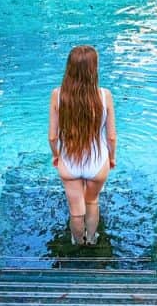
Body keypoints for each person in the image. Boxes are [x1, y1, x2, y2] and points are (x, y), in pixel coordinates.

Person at [48, 45, 117, 246]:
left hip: (69, 161)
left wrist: (56, 155)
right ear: (93, 69)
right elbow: (111, 136)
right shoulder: (105, 95)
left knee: (75, 210)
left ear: (69, 67)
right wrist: (111, 158)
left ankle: (77, 242)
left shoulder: (57, 95)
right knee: (92, 201)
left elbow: (52, 136)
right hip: (97, 162)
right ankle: (92, 239)